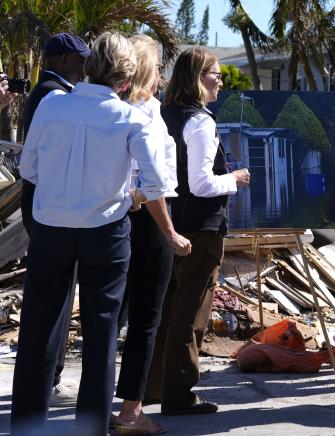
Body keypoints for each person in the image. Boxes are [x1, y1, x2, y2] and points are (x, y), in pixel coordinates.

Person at [12, 32, 168, 434]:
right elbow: (155, 185)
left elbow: (28, 169)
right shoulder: (133, 118)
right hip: (106, 231)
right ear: (127, 82)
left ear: (89, 66)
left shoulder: (50, 105)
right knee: (101, 337)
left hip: (52, 228)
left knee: (37, 333)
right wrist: (130, 198)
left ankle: (27, 428)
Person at [144, 47, 250, 415]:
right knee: (191, 314)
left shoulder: (165, 113)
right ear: (196, 78)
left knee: (168, 310)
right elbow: (202, 183)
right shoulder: (200, 120)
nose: (220, 80)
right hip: (201, 229)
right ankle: (180, 394)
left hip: (170, 223)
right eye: (214, 74)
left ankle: (154, 387)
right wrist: (234, 178)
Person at [112, 34, 192, 435]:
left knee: (115, 316)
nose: (162, 73)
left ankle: (110, 404)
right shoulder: (146, 115)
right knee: (146, 318)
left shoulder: (120, 112)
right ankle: (131, 410)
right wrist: (172, 232)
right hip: (148, 219)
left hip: (120, 219)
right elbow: (152, 185)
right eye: (158, 65)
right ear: (147, 69)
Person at [20, 32, 91, 408]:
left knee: (53, 298)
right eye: (81, 59)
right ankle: (49, 379)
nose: (85, 66)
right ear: (63, 60)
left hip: (44, 208)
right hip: (51, 211)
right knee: (55, 302)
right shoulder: (54, 95)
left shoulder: (46, 92)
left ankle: (46, 378)